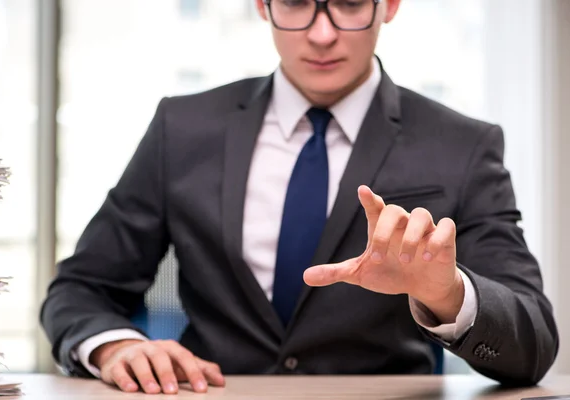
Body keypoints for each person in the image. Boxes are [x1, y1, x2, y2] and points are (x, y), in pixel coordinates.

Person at [40, 0, 559, 395]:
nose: (322, 33)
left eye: (350, 4)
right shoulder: (183, 128)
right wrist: (115, 346)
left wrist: (447, 294)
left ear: (390, 5)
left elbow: (532, 340)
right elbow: (81, 288)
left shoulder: (461, 145)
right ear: (262, 5)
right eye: (294, 3)